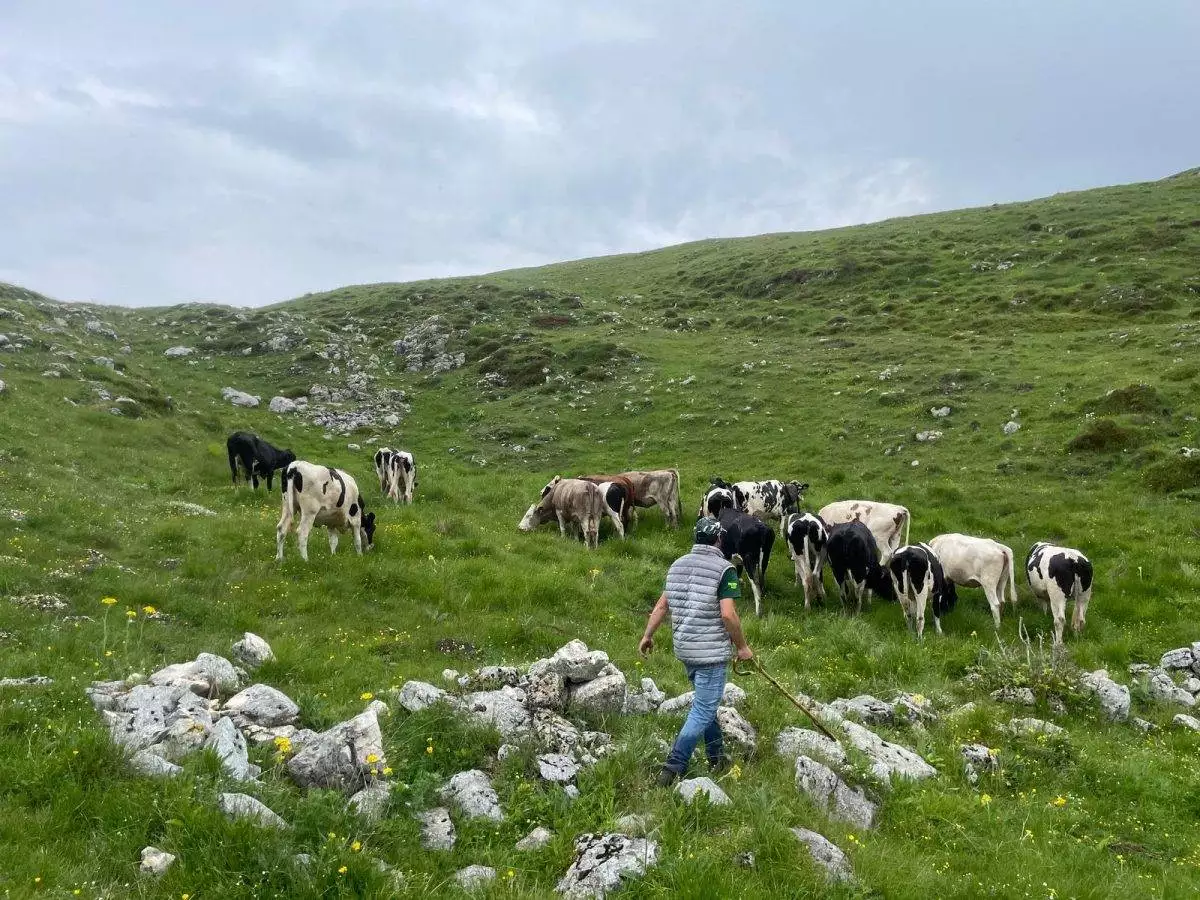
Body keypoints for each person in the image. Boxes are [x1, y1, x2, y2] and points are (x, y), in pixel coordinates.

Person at [639, 516, 753, 787]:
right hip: (711, 654)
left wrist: (647, 635)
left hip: (686, 650)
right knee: (703, 709)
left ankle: (716, 757)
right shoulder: (725, 569)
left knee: (706, 704)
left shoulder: (677, 565)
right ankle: (674, 766)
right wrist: (743, 647)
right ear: (718, 539)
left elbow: (662, 606)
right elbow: (728, 615)